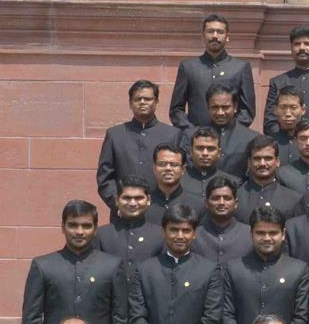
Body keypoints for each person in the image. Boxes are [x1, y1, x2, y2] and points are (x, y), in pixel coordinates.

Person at [21, 200, 129, 324]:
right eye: (73, 225)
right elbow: (31, 320)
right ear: (63, 227)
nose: (79, 232)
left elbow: (120, 320)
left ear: (95, 229)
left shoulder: (112, 265)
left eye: (86, 226)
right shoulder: (43, 265)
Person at [128, 204, 224, 324]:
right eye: (174, 230)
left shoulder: (209, 269)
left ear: (194, 233)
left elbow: (211, 318)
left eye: (186, 230)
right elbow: (136, 316)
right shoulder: (145, 269)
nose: (180, 236)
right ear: (163, 232)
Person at [222, 205, 309, 324]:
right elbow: (227, 315)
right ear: (251, 234)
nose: (267, 238)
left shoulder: (298, 269)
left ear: (283, 234)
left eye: (273, 233)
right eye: (261, 233)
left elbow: (302, 318)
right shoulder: (234, 268)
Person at [96, 79, 180, 210]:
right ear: (130, 103)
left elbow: (180, 175)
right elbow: (105, 178)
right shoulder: (115, 135)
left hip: (163, 210)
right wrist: (119, 204)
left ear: (156, 102)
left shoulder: (173, 135)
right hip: (123, 213)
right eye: (137, 99)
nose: (142, 102)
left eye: (147, 99)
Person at [170, 14, 255, 130]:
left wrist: (231, 133)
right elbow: (176, 110)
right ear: (203, 36)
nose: (215, 36)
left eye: (220, 32)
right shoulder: (188, 67)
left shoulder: (241, 68)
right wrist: (192, 132)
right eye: (210, 31)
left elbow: (247, 112)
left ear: (227, 37)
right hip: (195, 140)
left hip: (230, 141)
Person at [94, 177, 163, 271]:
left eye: (138, 198)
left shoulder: (160, 235)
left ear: (148, 200)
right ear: (117, 200)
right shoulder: (101, 235)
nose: (132, 203)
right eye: (127, 198)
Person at [195, 84, 262, 181]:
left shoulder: (251, 138)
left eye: (225, 107)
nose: (220, 112)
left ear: (235, 107)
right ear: (208, 107)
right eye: (215, 107)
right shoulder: (193, 136)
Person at [235, 137, 303, 221]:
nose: (262, 163)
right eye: (257, 158)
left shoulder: (293, 199)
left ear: (277, 162)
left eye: (268, 158)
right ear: (249, 162)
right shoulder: (235, 197)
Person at [193, 177, 253, 265]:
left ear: (236, 203)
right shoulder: (194, 235)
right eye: (216, 198)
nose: (221, 202)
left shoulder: (249, 234)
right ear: (206, 203)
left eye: (227, 198)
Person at [146, 143, 204, 226]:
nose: (168, 168)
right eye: (162, 164)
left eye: (174, 165)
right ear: (154, 168)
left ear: (183, 169)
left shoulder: (198, 205)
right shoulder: (143, 204)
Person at [181, 126, 238, 199]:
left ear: (219, 153)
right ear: (191, 151)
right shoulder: (179, 179)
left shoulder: (232, 182)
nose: (205, 153)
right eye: (200, 148)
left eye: (211, 149)